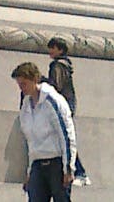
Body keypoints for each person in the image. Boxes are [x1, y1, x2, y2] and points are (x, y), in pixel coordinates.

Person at [13, 61, 75, 201]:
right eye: (19, 85)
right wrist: (29, 171)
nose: (22, 88)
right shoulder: (26, 105)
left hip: (56, 162)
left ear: (35, 80)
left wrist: (68, 168)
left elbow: (66, 134)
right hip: (37, 163)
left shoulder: (52, 101)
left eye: (24, 84)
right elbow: (30, 140)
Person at [46, 36, 89, 186]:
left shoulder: (57, 66)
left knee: (65, 140)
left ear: (60, 49)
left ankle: (79, 172)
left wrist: (42, 82)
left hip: (61, 106)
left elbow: (55, 86)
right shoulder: (66, 65)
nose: (50, 51)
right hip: (68, 104)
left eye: (52, 47)